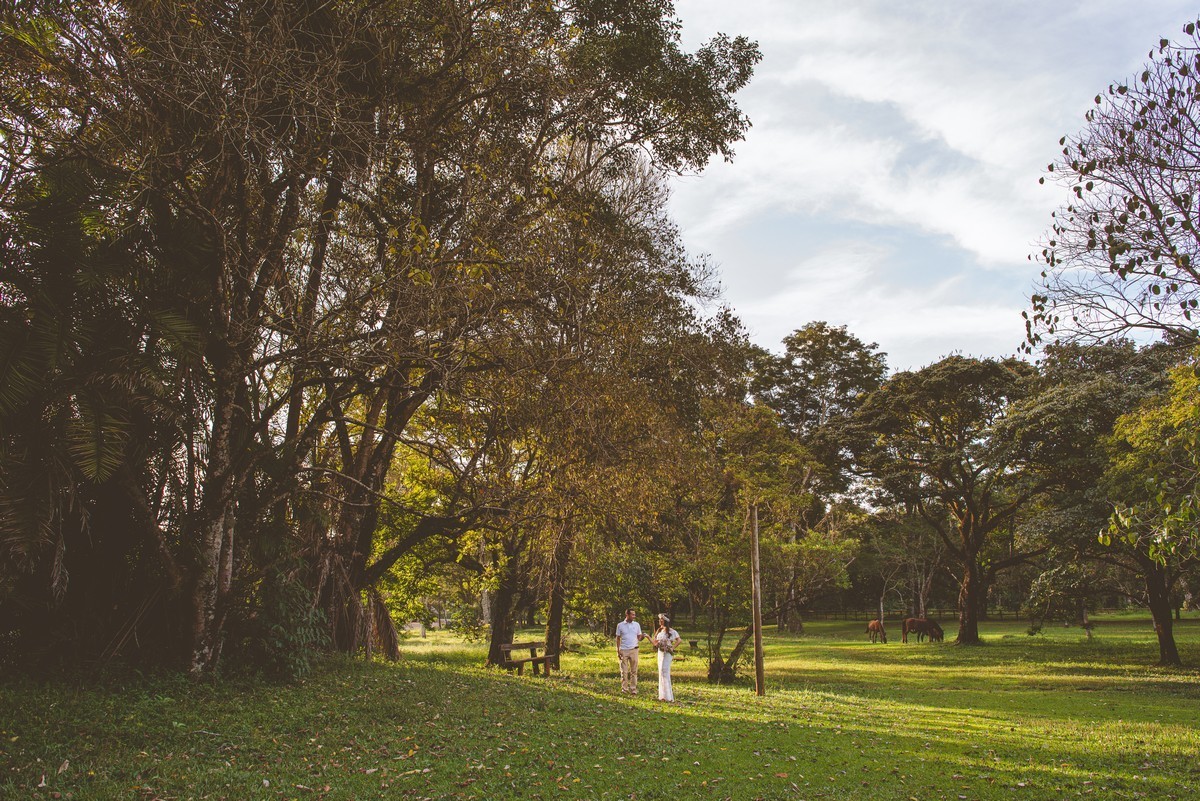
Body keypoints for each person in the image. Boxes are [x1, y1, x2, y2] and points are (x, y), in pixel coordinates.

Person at [614, 608, 647, 694]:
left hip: (634, 650)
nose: (634, 616)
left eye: (634, 614)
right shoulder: (620, 625)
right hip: (624, 650)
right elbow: (617, 638)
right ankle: (624, 688)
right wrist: (618, 650)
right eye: (632, 614)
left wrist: (643, 636)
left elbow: (639, 637)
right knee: (624, 671)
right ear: (627, 615)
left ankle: (633, 689)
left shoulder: (636, 625)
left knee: (634, 671)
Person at [652, 613, 681, 702]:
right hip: (660, 652)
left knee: (665, 671)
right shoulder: (660, 631)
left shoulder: (671, 631)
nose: (660, 621)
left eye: (661, 620)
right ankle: (662, 695)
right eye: (659, 619)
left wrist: (672, 647)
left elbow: (679, 640)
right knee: (660, 671)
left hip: (667, 653)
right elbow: (655, 641)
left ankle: (668, 696)